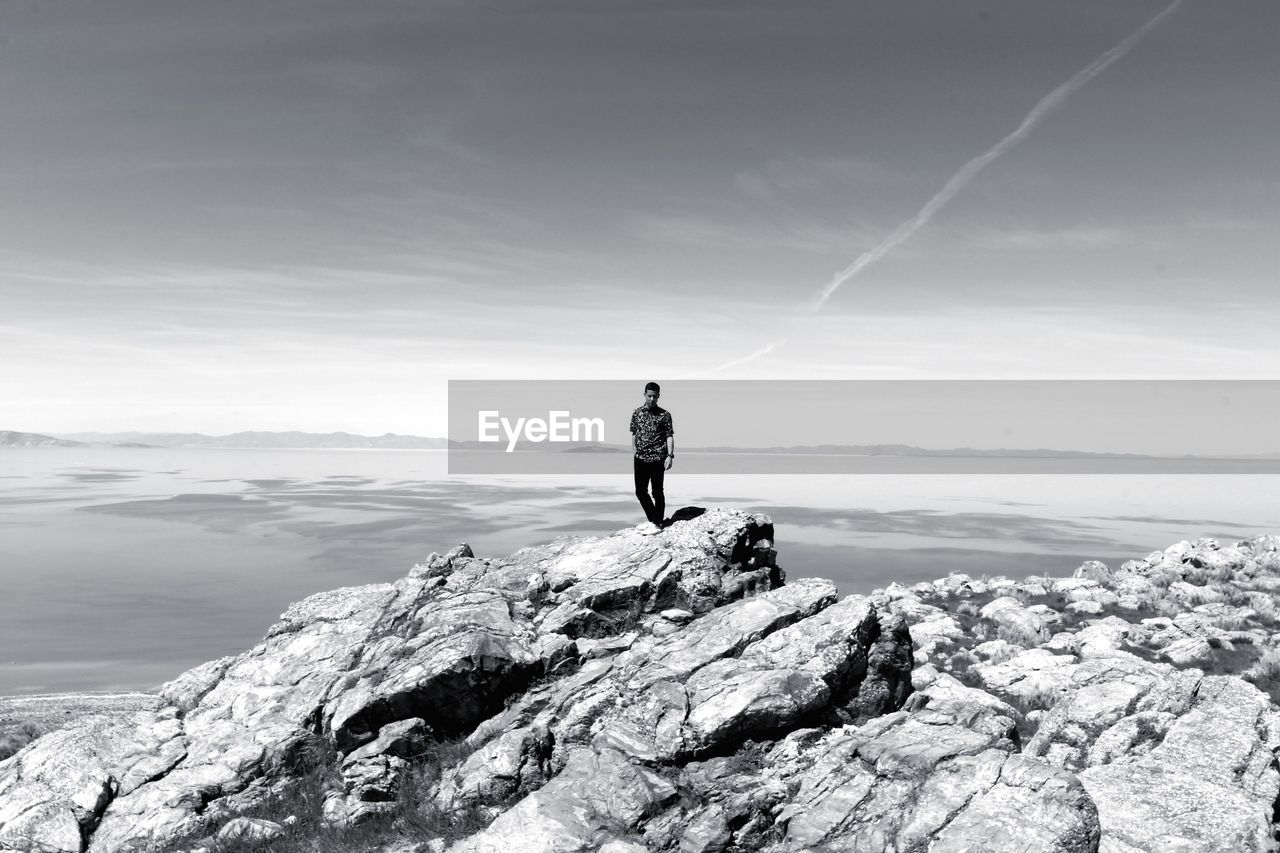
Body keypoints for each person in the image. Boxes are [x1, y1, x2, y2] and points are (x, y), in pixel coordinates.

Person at [629, 381, 674, 530]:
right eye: (649, 396)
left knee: (657, 492)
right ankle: (654, 520)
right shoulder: (637, 413)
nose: (652, 399)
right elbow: (634, 433)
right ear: (644, 395)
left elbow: (669, 436)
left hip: (658, 459)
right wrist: (634, 450)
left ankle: (657, 522)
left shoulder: (665, 415)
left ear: (659, 396)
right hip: (640, 459)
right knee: (640, 492)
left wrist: (670, 456)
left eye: (655, 396)